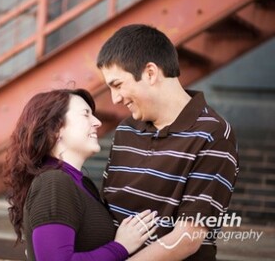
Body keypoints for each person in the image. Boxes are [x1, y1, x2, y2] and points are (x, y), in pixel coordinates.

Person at [96, 24, 239, 260]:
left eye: (118, 85)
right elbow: (107, 213)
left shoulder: (213, 134)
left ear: (150, 73)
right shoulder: (125, 131)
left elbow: (187, 238)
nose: (115, 98)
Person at [3, 88, 158, 260]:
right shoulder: (53, 183)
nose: (97, 122)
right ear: (56, 129)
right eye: (86, 114)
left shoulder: (80, 184)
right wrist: (121, 246)